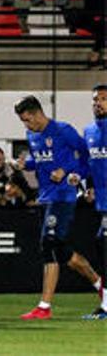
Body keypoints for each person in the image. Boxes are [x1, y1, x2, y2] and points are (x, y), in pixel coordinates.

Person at [14, 96, 102, 320]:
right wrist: (26, 165)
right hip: (44, 198)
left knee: (48, 243)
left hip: (63, 196)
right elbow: (40, 162)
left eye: (27, 120)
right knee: (62, 252)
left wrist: (67, 171)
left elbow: (87, 158)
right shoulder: (31, 135)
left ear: (36, 113)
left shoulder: (63, 130)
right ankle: (100, 284)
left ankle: (44, 306)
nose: (26, 125)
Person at [82, 84, 107, 320]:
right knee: (102, 245)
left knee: (103, 245)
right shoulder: (89, 131)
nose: (98, 103)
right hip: (102, 202)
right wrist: (86, 185)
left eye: (103, 99)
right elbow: (89, 165)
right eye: (95, 99)